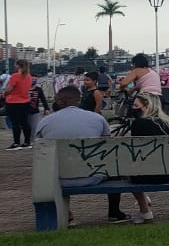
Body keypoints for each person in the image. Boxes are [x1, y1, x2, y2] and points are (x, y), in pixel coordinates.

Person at [34, 86, 116, 226]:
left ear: (58, 101)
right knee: (116, 169)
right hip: (93, 176)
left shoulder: (44, 122)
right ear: (79, 100)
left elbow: (39, 151)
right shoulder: (97, 119)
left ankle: (67, 213)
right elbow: (107, 148)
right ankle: (115, 212)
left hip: (59, 178)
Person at [122, 91, 169, 223]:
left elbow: (136, 152)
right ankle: (144, 205)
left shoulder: (138, 124)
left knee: (125, 170)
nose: (133, 108)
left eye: (136, 105)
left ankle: (144, 208)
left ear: (146, 105)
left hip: (146, 175)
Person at [4, 59, 35, 149]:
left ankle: (16, 143)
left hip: (13, 102)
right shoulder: (29, 76)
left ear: (18, 66)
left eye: (15, 65)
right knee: (25, 122)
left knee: (15, 123)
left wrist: (4, 93)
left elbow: (9, 89)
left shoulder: (15, 76)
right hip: (25, 102)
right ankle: (27, 142)